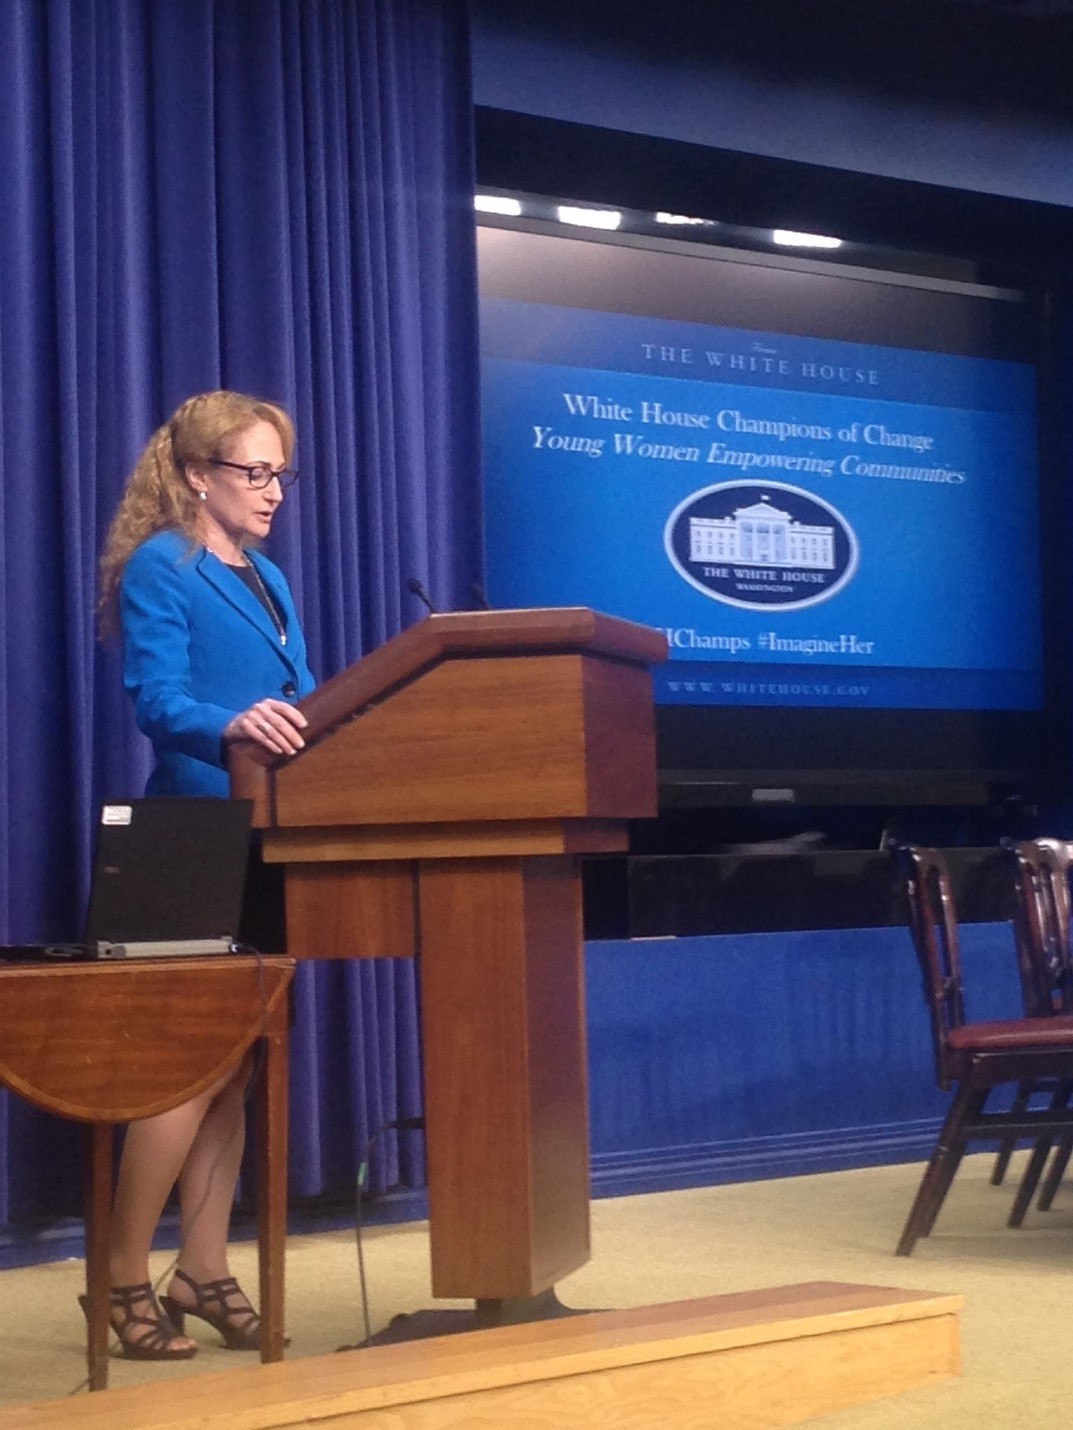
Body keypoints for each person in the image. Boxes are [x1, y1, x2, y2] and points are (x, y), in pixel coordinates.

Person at [95, 390, 315, 1358]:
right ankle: (117, 1276)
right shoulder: (161, 564)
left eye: (280, 473)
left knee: (234, 1071)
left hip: (268, 837)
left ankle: (204, 1264)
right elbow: (157, 698)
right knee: (175, 1075)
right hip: (182, 837)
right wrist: (231, 722)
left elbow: (303, 698)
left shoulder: (268, 577)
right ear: (195, 475)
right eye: (252, 472)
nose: (272, 492)